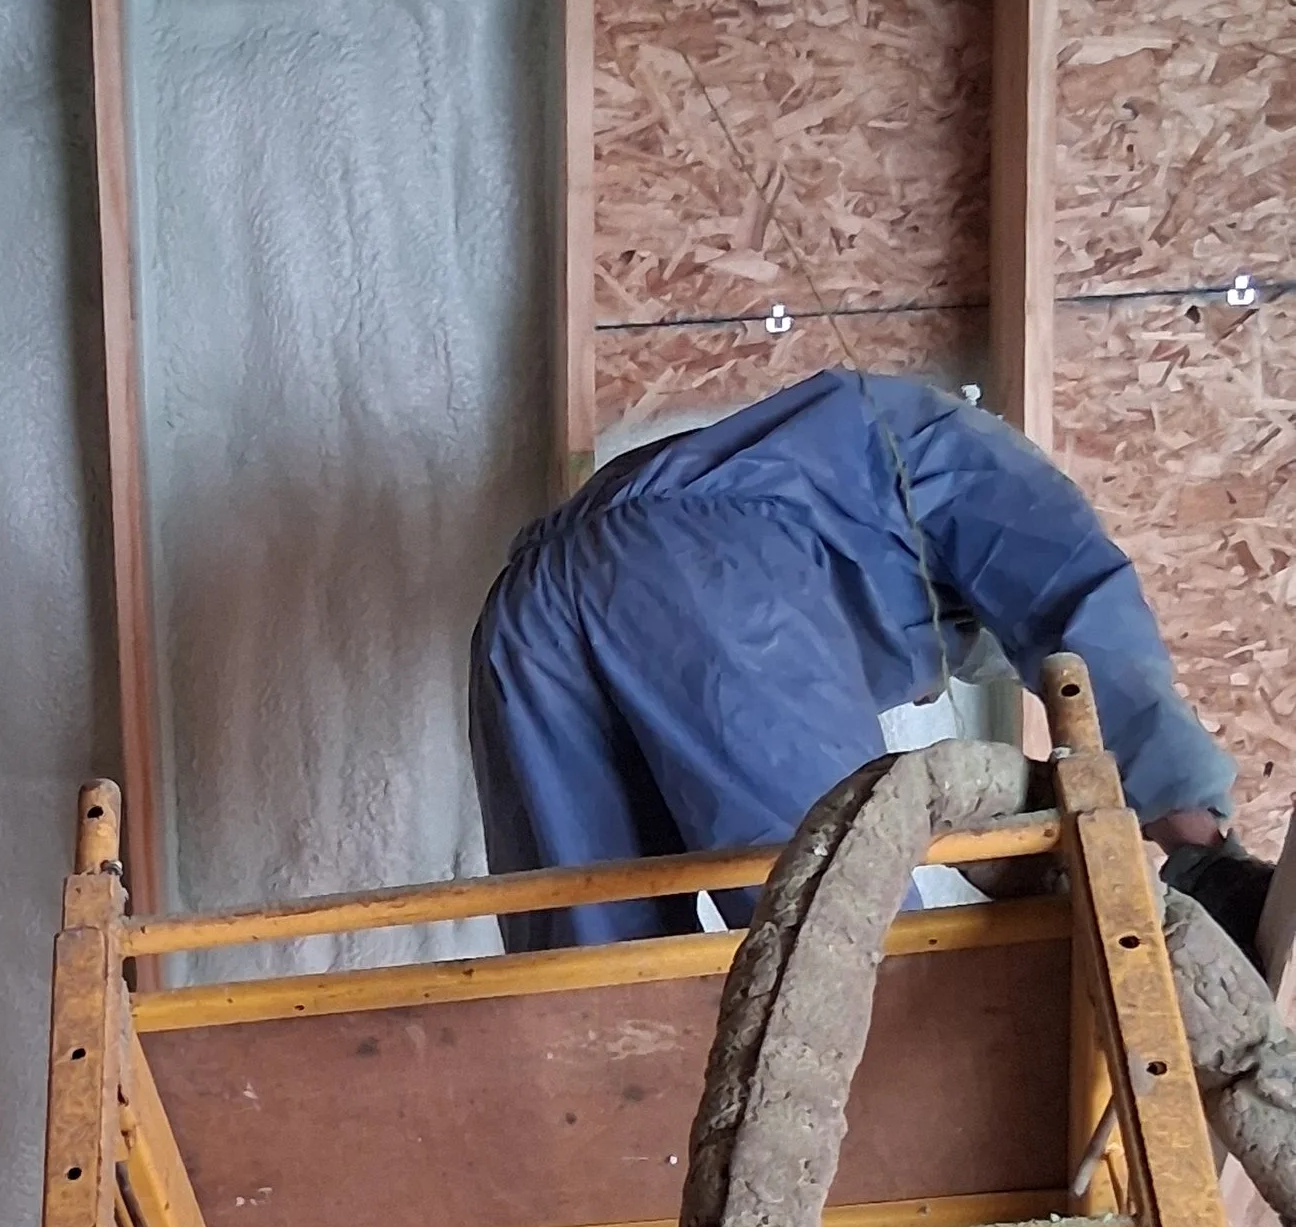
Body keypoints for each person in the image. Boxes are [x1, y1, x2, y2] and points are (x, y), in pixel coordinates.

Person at [469, 369, 1262, 951]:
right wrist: (1188, 816)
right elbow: (1080, 599)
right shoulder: (992, 469)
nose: (920, 694)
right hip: (706, 566)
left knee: (588, 994)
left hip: (528, 606)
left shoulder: (864, 537)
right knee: (853, 957)